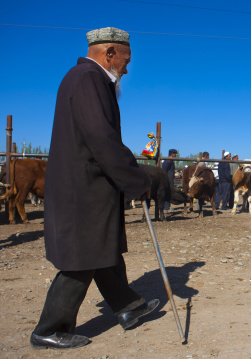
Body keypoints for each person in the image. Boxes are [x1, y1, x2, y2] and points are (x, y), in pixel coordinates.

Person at [31, 27, 159, 350]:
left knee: (104, 250)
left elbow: (103, 140)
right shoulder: (88, 79)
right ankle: (49, 327)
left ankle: (128, 307)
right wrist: (137, 180)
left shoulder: (86, 79)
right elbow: (102, 140)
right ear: (110, 53)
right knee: (82, 257)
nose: (127, 69)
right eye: (125, 61)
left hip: (88, 188)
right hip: (83, 190)